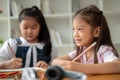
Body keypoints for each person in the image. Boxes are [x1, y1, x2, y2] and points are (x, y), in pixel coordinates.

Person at [52, 5, 120, 74]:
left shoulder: (103, 51)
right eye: (73, 29)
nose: (75, 34)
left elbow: (118, 65)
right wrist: (70, 65)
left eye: (80, 29)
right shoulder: (81, 50)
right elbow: (55, 61)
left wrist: (82, 68)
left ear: (96, 32)